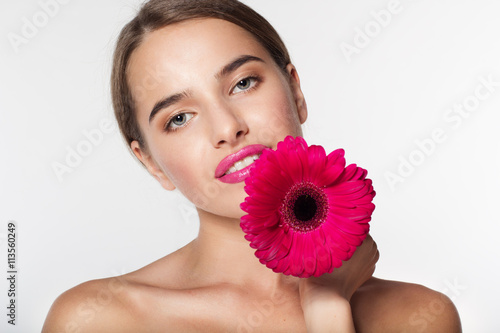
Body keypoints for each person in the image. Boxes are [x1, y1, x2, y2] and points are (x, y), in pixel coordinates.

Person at [42, 0, 462, 331]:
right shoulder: (96, 320)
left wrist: (327, 307)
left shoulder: (417, 318)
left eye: (243, 83)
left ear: (295, 91)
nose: (227, 127)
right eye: (179, 118)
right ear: (150, 162)